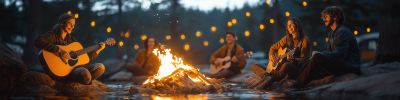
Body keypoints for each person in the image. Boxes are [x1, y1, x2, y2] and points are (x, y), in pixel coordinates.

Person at [292, 6, 361, 88]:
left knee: (317, 56)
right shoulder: (331, 34)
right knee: (307, 60)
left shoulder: (343, 32)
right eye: (323, 17)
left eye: (326, 17)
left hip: (349, 66)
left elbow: (341, 54)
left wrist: (322, 54)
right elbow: (331, 55)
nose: (323, 19)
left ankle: (297, 84)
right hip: (339, 64)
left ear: (335, 17)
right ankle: (295, 82)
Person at [34, 13, 105, 85]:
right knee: (84, 72)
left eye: (73, 25)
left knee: (100, 67)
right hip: (59, 73)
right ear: (62, 23)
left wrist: (98, 50)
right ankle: (85, 81)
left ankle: (84, 80)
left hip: (74, 71)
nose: (72, 26)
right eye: (70, 23)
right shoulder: (52, 36)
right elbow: (37, 41)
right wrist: (59, 50)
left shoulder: (71, 40)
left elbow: (83, 58)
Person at [252, 17, 311, 89]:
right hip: (279, 69)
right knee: (254, 66)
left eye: (291, 25)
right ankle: (267, 77)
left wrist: (294, 60)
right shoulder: (286, 39)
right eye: (287, 25)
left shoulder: (305, 40)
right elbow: (273, 48)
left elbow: (304, 60)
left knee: (287, 65)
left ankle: (267, 83)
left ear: (297, 25)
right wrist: (271, 55)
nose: (289, 27)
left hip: (293, 69)